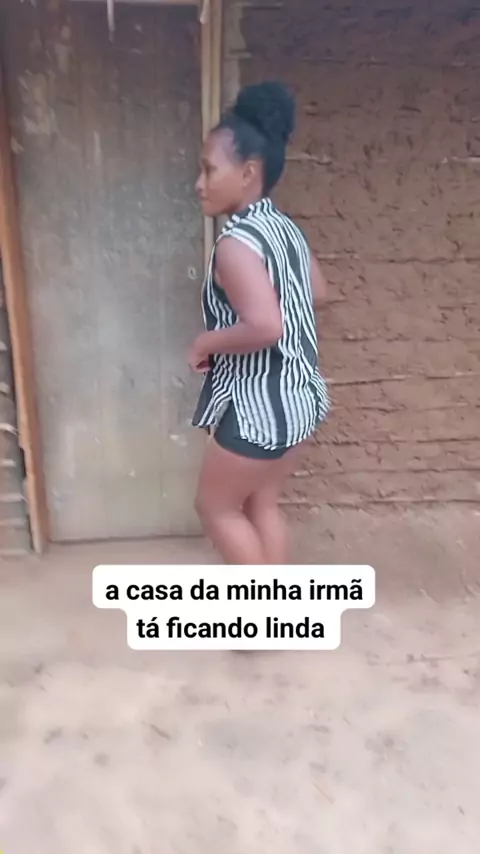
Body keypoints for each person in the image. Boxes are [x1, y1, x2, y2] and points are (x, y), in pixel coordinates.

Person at [188, 81, 329, 565]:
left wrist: (207, 341)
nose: (200, 183)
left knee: (217, 509)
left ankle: (258, 605)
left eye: (209, 169)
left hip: (258, 410)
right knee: (261, 503)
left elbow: (266, 327)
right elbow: (318, 292)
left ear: (248, 172)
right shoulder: (284, 229)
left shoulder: (236, 244)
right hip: (302, 399)